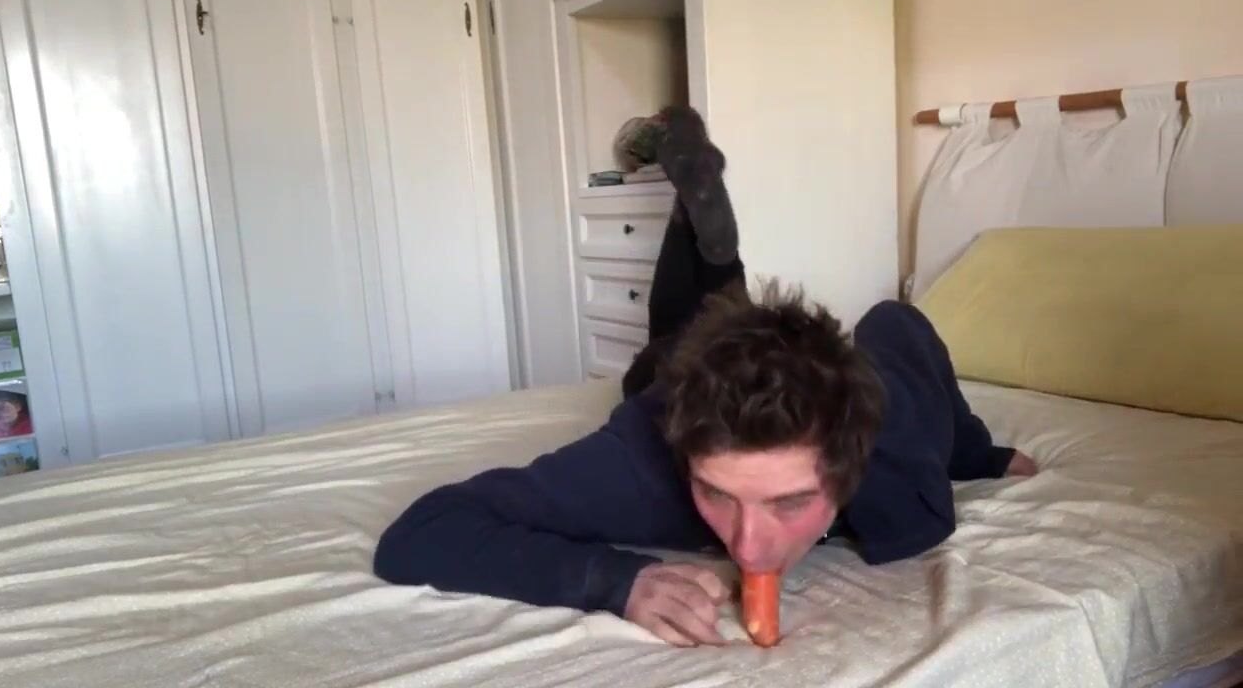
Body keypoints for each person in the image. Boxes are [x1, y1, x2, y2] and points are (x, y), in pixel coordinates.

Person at [372, 107, 1038, 647]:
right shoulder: (638, 463)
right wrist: (613, 581)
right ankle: (693, 213)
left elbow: (899, 322)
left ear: (854, 463)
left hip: (770, 358)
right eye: (715, 493)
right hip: (671, 369)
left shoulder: (896, 446)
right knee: (678, 336)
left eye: (790, 502)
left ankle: (700, 218)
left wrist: (971, 449)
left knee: (718, 309)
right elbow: (423, 531)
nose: (748, 547)